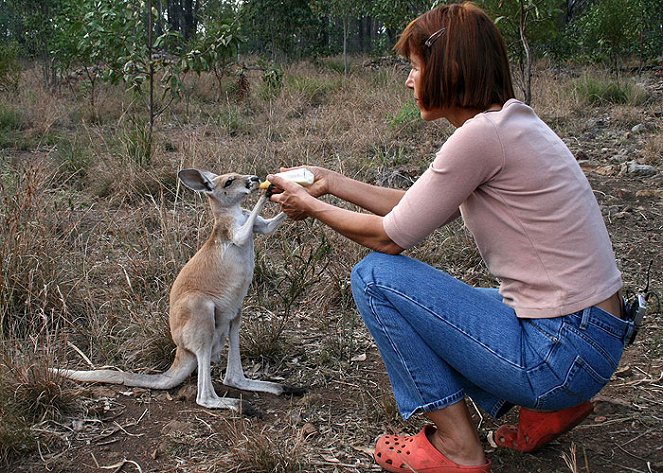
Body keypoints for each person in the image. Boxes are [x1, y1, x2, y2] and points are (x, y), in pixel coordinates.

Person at [266, 2, 634, 472]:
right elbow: (419, 205)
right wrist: (330, 181)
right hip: (589, 341)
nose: (409, 80)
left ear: (449, 69)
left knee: (376, 278)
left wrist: (310, 207)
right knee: (450, 301)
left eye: (416, 66)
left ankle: (458, 448)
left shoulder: (481, 137)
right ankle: (546, 409)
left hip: (560, 355)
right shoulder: (511, 124)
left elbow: (389, 239)